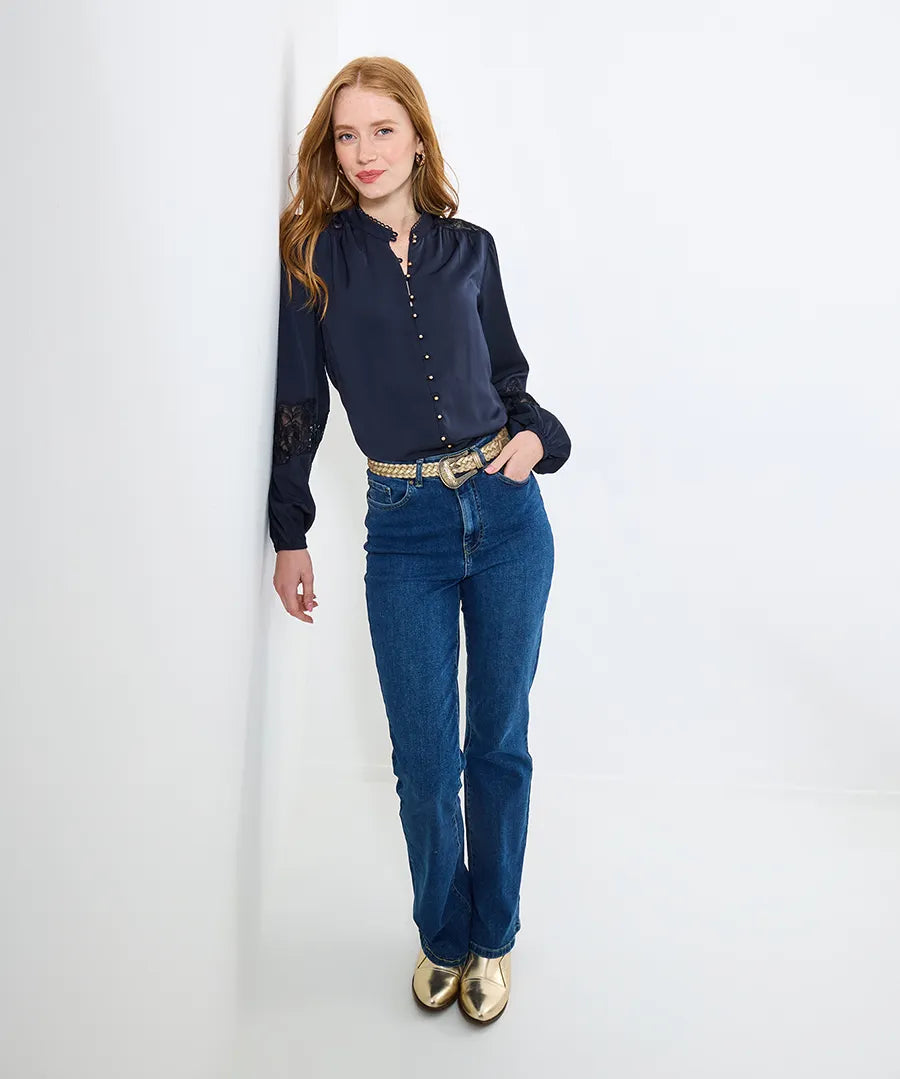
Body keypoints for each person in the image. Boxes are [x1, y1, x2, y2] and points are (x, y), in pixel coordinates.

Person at [268, 56, 571, 1025]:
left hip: (507, 514)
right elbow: (299, 406)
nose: (364, 152)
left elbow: (510, 377)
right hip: (403, 530)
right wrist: (288, 532)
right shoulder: (315, 260)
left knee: (498, 744)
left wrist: (537, 437)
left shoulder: (471, 249)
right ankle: (444, 932)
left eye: (382, 130)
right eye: (346, 135)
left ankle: (496, 934)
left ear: (417, 138)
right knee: (425, 760)